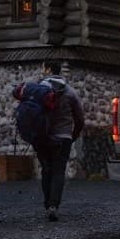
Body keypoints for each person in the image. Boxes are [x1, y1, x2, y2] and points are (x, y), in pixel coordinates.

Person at [29, 60, 84, 222]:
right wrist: (72, 135)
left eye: (43, 68)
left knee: (46, 170)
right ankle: (54, 206)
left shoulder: (38, 90)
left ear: (47, 69)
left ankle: (47, 205)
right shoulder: (70, 92)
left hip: (43, 138)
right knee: (59, 171)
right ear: (59, 71)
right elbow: (80, 119)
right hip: (63, 138)